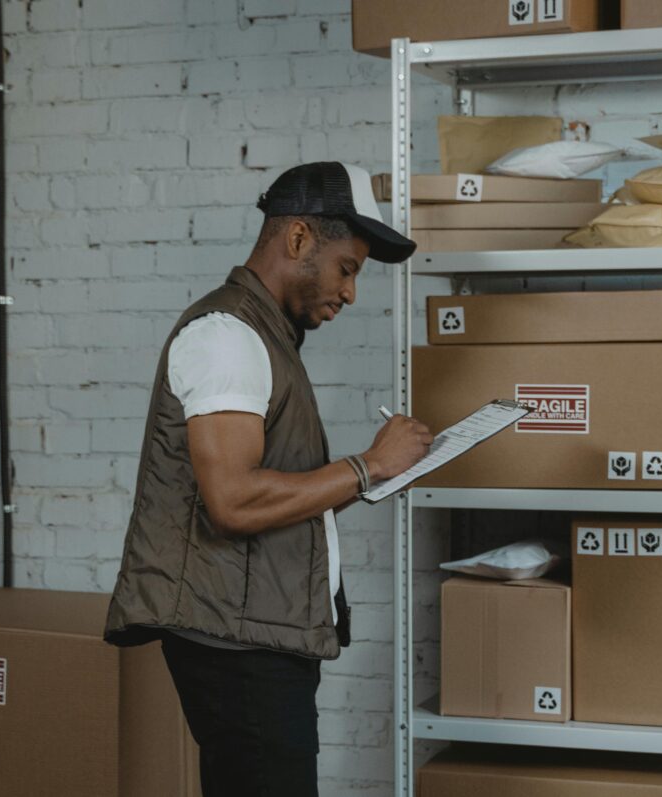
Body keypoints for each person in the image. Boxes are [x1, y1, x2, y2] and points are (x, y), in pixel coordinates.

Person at [103, 161, 432, 797]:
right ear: (299, 239)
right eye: (349, 268)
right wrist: (367, 467)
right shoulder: (228, 336)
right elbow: (232, 500)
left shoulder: (266, 338)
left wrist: (372, 478)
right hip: (237, 645)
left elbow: (271, 495)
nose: (350, 293)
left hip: (256, 632)